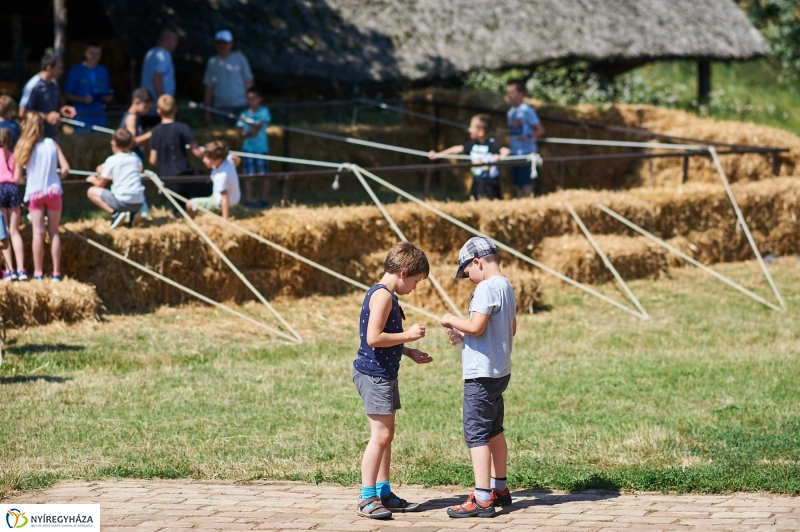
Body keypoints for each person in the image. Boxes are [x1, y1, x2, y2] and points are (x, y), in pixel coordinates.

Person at [352, 241, 432, 520]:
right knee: (381, 436)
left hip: (384, 373)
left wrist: (408, 352)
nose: (415, 288)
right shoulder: (384, 296)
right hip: (375, 375)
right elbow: (373, 338)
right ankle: (366, 497)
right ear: (404, 271)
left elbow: (382, 339)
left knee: (387, 436)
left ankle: (383, 491)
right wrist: (408, 336)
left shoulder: (386, 294)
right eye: (416, 280)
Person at [440, 237, 517, 519]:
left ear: (477, 262)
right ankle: (501, 488)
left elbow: (476, 324)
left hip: (480, 376)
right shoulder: (507, 286)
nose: (468, 278)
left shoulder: (485, 287)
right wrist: (465, 337)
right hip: (499, 372)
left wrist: (451, 319)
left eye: (467, 272)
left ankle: (483, 498)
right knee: (495, 430)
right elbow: (509, 328)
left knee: (476, 434)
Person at [13, 113, 69, 282]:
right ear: (42, 127)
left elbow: (17, 178)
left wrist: (27, 179)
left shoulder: (24, 147)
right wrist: (56, 177)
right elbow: (66, 168)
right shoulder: (52, 144)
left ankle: (38, 272)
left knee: (38, 233)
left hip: (35, 192)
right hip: (53, 191)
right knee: (54, 231)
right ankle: (56, 273)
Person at [429, 114, 510, 200]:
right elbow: (456, 149)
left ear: (481, 132)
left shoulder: (491, 143)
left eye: (472, 127)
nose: (469, 129)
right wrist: (438, 155)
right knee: (474, 199)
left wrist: (498, 157)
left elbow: (506, 151)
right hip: (477, 180)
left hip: (490, 182)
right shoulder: (473, 144)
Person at [149, 95, 206, 210]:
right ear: (175, 110)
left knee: (178, 211)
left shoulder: (155, 132)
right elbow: (197, 153)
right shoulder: (183, 128)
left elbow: (152, 160)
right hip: (186, 176)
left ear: (158, 111)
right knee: (209, 188)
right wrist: (209, 153)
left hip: (168, 179)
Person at [86, 129, 145, 229]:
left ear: (113, 143)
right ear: (130, 144)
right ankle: (133, 215)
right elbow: (140, 170)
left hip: (122, 203)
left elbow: (100, 185)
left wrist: (92, 179)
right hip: (139, 202)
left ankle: (115, 213)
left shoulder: (112, 160)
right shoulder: (135, 158)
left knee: (91, 191)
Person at [19, 53, 77, 139]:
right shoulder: (33, 85)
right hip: (35, 137)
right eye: (59, 68)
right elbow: (22, 113)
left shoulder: (53, 83)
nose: (61, 72)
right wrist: (46, 117)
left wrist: (62, 109)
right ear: (49, 68)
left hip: (53, 135)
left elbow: (55, 105)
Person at [203, 30, 254, 126]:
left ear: (231, 44)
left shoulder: (240, 59)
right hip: (220, 108)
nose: (222, 46)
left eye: (225, 43)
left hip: (241, 107)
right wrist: (207, 110)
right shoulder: (212, 62)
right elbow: (209, 86)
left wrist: (252, 106)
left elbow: (249, 82)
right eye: (219, 43)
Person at [506, 79, 545, 198]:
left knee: (527, 186)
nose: (509, 95)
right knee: (517, 186)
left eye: (512, 92)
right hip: (515, 153)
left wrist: (527, 137)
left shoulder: (527, 110)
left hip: (527, 153)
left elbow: (541, 130)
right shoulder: (511, 112)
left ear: (521, 93)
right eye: (508, 92)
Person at [64, 41, 113, 132]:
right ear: (85, 53)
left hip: (99, 116)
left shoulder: (104, 71)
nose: (94, 56)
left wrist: (108, 98)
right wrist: (82, 99)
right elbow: (67, 94)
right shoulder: (75, 71)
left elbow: (108, 92)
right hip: (82, 116)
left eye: (97, 54)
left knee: (100, 142)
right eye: (91, 53)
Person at [185, 140, 241, 220]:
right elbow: (237, 159)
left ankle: (195, 221)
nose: (204, 160)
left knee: (189, 204)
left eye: (207, 157)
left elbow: (224, 198)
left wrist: (224, 220)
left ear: (218, 160)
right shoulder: (228, 160)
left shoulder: (220, 176)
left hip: (220, 203)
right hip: (235, 200)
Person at [236, 87, 271, 209]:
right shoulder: (244, 114)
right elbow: (241, 133)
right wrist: (246, 129)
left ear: (259, 99)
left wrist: (248, 126)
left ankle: (264, 200)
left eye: (253, 99)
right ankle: (249, 201)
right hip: (248, 149)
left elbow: (257, 129)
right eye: (249, 99)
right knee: (248, 176)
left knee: (264, 175)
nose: (251, 101)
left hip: (261, 148)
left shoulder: (264, 112)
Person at [141, 29, 178, 126]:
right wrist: (165, 103)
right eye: (175, 40)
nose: (176, 44)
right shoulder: (164, 55)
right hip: (159, 110)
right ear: (167, 40)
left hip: (147, 107)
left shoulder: (150, 53)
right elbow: (156, 80)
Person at [0, 128, 22, 281]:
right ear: (11, 142)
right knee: (14, 231)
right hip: (13, 189)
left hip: (0, 189)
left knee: (4, 233)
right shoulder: (14, 157)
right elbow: (18, 178)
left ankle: (9, 270)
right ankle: (21, 270)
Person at [120, 87, 154, 157]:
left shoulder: (135, 116)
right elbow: (131, 142)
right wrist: (151, 133)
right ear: (136, 102)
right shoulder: (131, 118)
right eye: (145, 107)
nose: (147, 110)